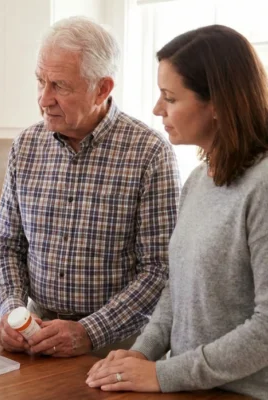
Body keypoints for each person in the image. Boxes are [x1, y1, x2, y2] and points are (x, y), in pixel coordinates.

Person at [86, 25, 268, 398]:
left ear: (218, 103)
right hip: (193, 388)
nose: (157, 109)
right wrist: (138, 355)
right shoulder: (199, 179)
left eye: (170, 97)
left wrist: (162, 375)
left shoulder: (262, 186)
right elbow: (177, 289)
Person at [0, 16, 181, 358]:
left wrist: (88, 332)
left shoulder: (149, 153)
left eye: (59, 86)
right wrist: (12, 310)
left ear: (103, 89)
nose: (43, 99)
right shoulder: (27, 145)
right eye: (40, 81)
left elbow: (159, 268)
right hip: (35, 337)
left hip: (118, 347)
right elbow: (6, 244)